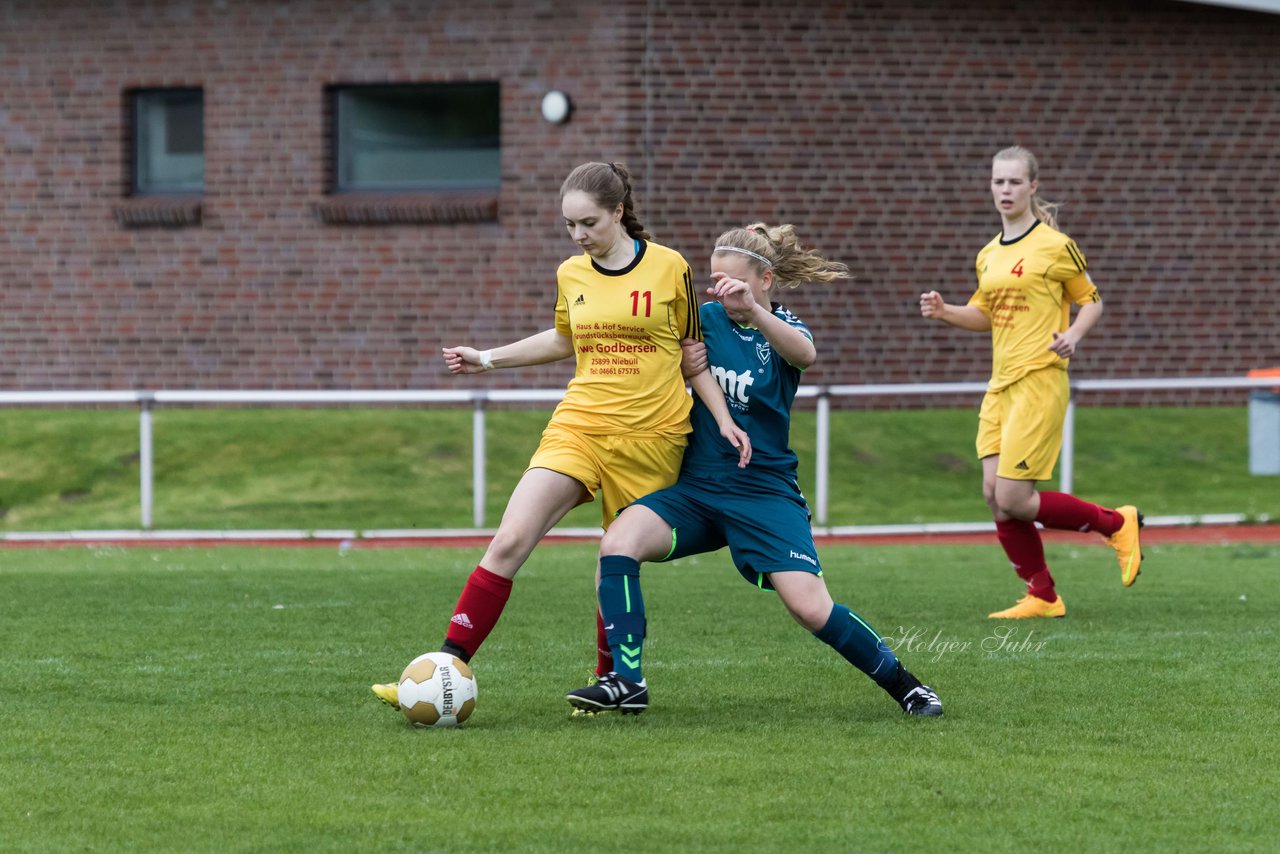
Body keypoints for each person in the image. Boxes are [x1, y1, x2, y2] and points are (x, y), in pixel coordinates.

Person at [370, 161, 750, 710]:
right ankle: (441, 670)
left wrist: (721, 418)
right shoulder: (571, 273)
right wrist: (487, 359)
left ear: (618, 212)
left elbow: (693, 357)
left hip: (653, 436)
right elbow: (563, 339)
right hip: (580, 424)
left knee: (612, 560)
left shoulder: (671, 268)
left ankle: (612, 684)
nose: (578, 236)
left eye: (588, 223)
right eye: (569, 225)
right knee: (509, 540)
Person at [564, 223, 944, 718]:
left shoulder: (783, 327)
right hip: (697, 490)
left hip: (764, 492)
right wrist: (677, 363)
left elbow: (805, 354)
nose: (721, 292)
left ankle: (907, 686)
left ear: (764, 280)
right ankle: (627, 681)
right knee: (617, 542)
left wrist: (755, 313)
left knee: (810, 608)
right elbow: (645, 353)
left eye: (733, 283)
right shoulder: (701, 321)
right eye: (715, 281)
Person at [918, 145, 1143, 619]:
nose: (1005, 190)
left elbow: (1092, 300)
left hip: (1040, 379)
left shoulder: (1054, 245)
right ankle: (1042, 595)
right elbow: (986, 314)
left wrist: (1075, 336)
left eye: (1014, 182)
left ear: (1032, 187)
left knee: (1015, 496)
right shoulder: (987, 256)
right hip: (1000, 384)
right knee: (993, 495)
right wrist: (945, 312)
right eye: (998, 181)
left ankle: (1115, 523)